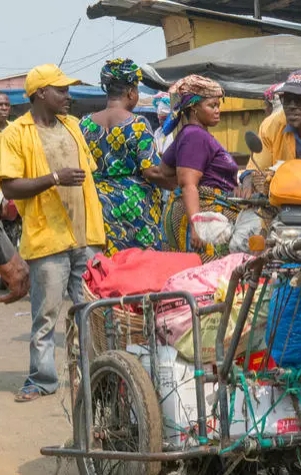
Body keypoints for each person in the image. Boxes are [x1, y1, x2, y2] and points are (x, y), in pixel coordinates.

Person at [0, 64, 106, 402]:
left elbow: (88, 175)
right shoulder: (15, 134)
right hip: (48, 239)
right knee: (45, 316)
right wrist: (54, 178)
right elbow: (11, 187)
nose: (68, 95)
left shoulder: (73, 126)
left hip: (85, 236)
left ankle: (95, 377)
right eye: (60, 90)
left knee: (91, 311)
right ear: (40, 93)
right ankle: (42, 379)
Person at [81, 59, 173, 255]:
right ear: (131, 92)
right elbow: (152, 170)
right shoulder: (137, 123)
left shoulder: (84, 124)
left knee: (104, 268)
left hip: (98, 205)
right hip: (135, 208)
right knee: (137, 268)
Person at [160, 75, 241, 262]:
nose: (217, 111)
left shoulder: (190, 134)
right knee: (205, 279)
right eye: (212, 106)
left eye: (218, 105)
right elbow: (188, 184)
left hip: (205, 216)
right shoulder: (195, 136)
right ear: (194, 108)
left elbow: (165, 170)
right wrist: (198, 226)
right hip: (205, 222)